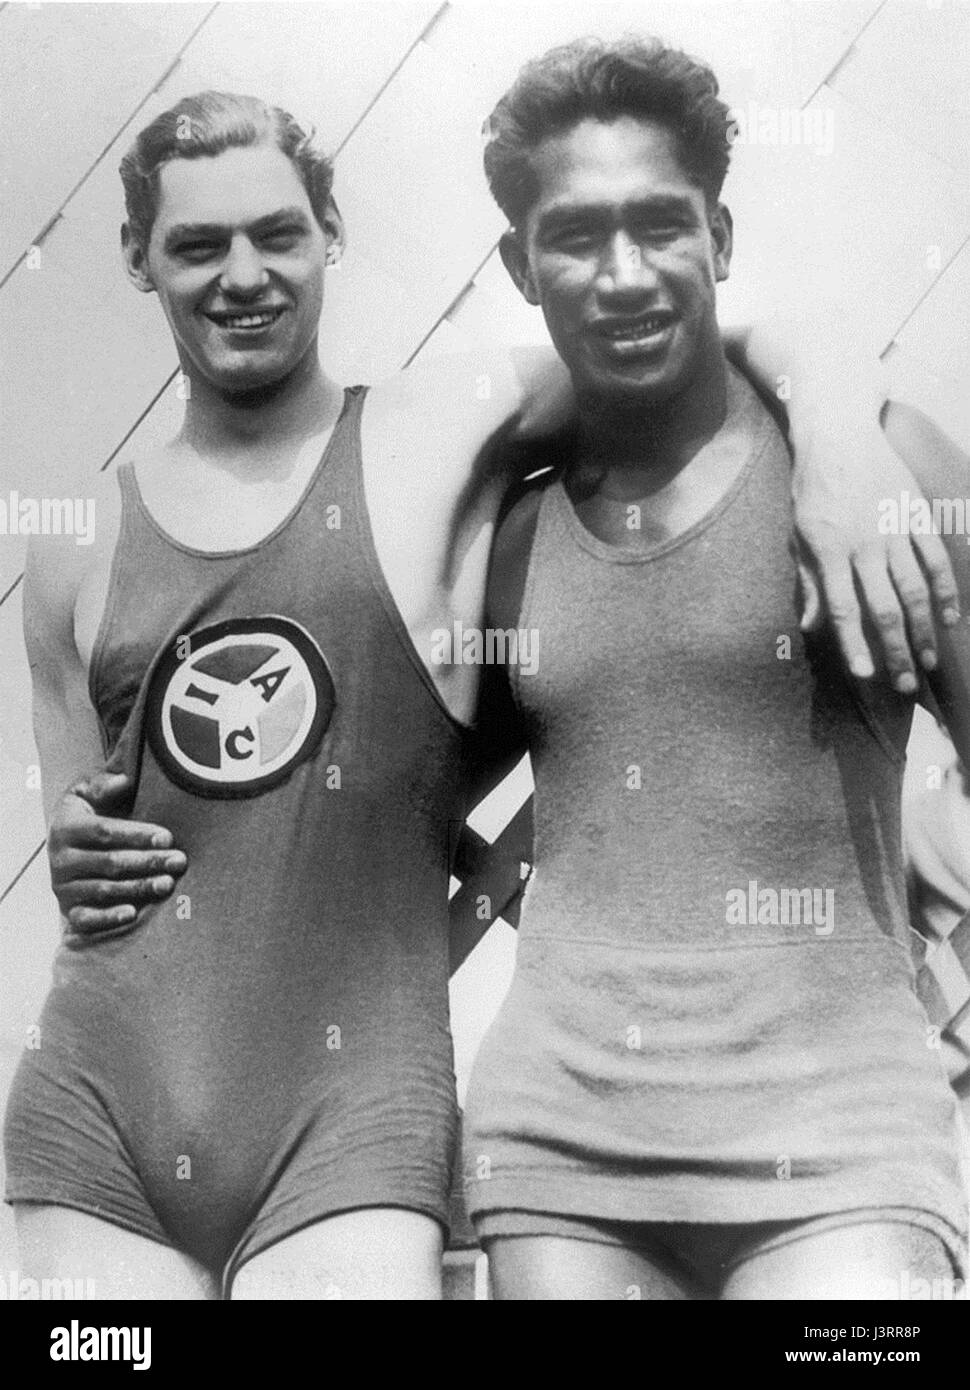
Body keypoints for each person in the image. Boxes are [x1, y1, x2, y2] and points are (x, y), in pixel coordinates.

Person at [9, 85, 959, 1301]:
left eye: (275, 234)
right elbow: (85, 835)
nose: (242, 274)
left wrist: (840, 420)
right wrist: (75, 844)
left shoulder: (438, 437)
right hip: (97, 1119)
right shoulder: (74, 542)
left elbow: (664, 335)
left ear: (330, 232)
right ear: (139, 258)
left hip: (355, 1133)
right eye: (197, 243)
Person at [457, 37, 970, 1300]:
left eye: (660, 225)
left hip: (846, 1146)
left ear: (720, 237)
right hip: (560, 1158)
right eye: (576, 236)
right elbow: (384, 814)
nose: (623, 273)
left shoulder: (883, 467)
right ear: (523, 265)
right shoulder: (511, 538)